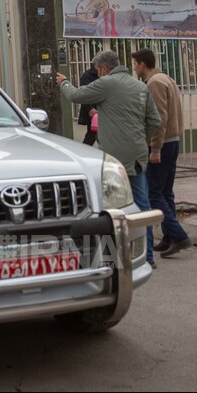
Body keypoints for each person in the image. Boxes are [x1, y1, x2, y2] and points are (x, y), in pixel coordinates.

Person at [57, 51, 161, 268]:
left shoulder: (106, 84)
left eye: (97, 69)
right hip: (138, 155)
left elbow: (76, 96)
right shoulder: (140, 86)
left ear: (104, 68)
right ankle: (148, 257)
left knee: (112, 208)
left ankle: (113, 257)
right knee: (142, 206)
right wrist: (141, 139)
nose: (97, 73)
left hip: (115, 157)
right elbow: (154, 120)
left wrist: (64, 82)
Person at [132, 49, 192, 259]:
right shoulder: (166, 78)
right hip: (172, 141)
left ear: (142, 65)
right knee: (166, 192)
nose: (134, 69)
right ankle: (169, 236)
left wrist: (155, 148)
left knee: (154, 192)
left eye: (135, 64)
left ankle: (179, 235)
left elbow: (158, 118)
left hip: (162, 144)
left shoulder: (154, 83)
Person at [76, 63, 100, 146]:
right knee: (91, 135)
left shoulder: (106, 74)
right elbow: (84, 94)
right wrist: (90, 108)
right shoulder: (87, 76)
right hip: (94, 112)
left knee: (95, 136)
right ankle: (83, 154)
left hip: (103, 109)